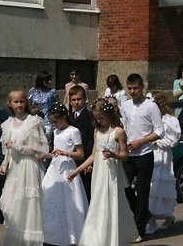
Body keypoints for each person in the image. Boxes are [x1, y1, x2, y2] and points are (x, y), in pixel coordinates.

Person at [68, 98, 138, 245]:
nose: (99, 121)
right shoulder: (97, 131)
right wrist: (77, 171)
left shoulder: (118, 132)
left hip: (112, 173)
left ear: (109, 115)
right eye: (96, 118)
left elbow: (125, 155)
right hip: (98, 174)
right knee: (97, 202)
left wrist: (114, 155)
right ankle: (96, 236)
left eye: (102, 118)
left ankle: (112, 236)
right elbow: (94, 155)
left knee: (112, 202)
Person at [0, 90, 49, 245]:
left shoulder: (33, 121)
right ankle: (17, 240)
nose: (19, 104)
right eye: (16, 102)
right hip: (15, 168)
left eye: (22, 101)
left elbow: (40, 150)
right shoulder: (7, 124)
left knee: (28, 204)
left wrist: (18, 147)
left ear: (26, 102)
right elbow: (7, 149)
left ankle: (30, 241)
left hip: (29, 167)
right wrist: (4, 163)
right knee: (13, 204)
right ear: (10, 104)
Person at [120, 73, 164, 242]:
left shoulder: (151, 106)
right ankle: (145, 214)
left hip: (144, 154)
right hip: (128, 154)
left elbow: (160, 131)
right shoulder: (125, 104)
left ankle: (140, 230)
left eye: (135, 88)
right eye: (129, 88)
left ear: (142, 87)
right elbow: (124, 125)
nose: (132, 92)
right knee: (124, 187)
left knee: (143, 191)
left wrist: (142, 141)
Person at [42, 102, 87, 246]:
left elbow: (80, 154)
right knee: (51, 197)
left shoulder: (73, 131)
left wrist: (65, 153)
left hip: (68, 168)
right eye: (52, 122)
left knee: (69, 201)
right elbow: (56, 152)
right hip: (55, 168)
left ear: (63, 117)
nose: (54, 124)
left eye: (56, 121)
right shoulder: (56, 131)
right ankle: (55, 233)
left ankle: (72, 234)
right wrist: (45, 155)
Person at [146, 92, 181, 235]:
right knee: (150, 188)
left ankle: (162, 217)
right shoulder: (149, 120)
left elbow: (173, 140)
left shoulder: (170, 121)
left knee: (160, 189)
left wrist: (157, 141)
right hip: (150, 155)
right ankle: (152, 218)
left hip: (163, 156)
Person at [69, 85, 94, 200]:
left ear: (84, 99)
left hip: (85, 159)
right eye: (73, 100)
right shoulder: (70, 117)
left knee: (85, 189)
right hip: (72, 157)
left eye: (79, 99)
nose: (76, 102)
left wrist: (89, 162)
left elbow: (91, 140)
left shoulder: (89, 117)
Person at [28, 71, 59, 140]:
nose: (50, 82)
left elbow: (57, 106)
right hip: (35, 120)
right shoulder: (32, 91)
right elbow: (28, 105)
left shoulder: (52, 92)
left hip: (48, 121)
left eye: (51, 80)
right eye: (48, 80)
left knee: (45, 140)